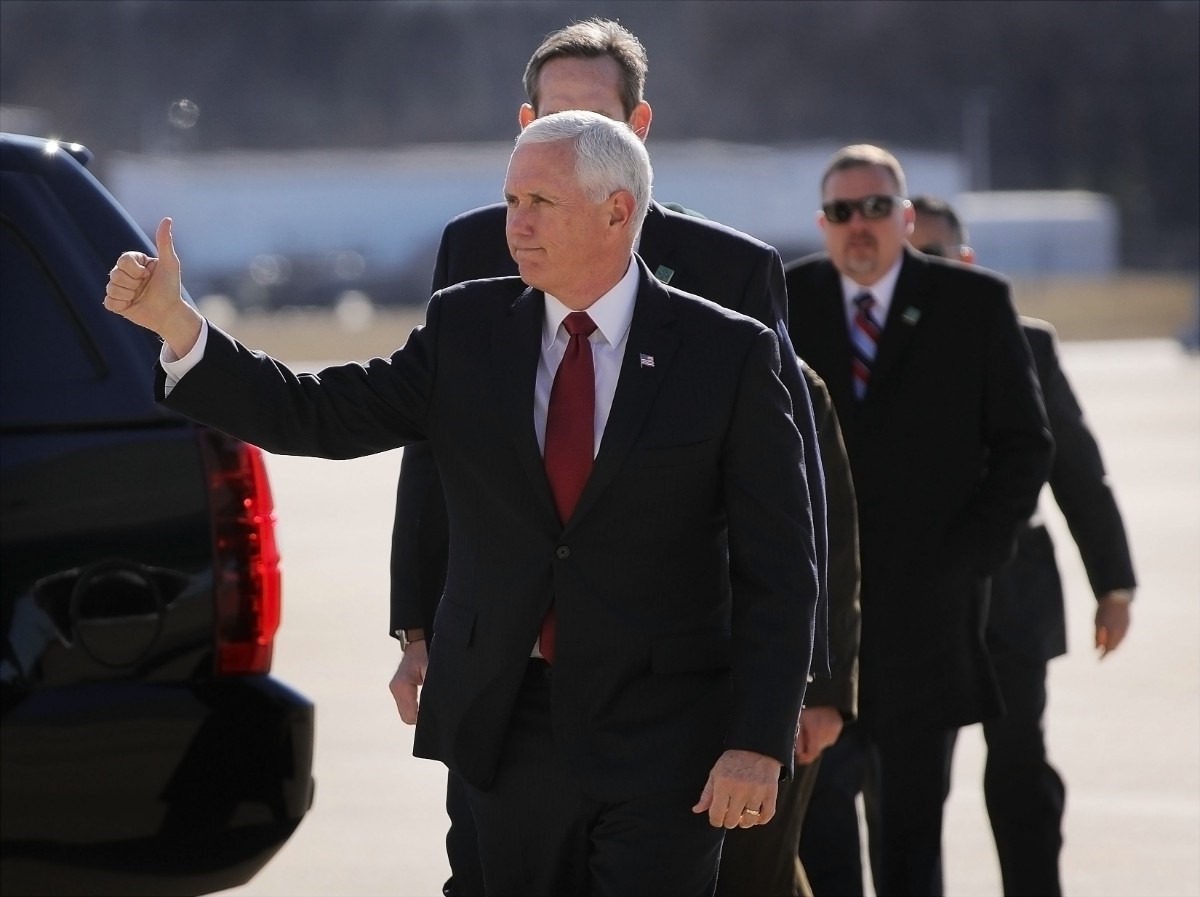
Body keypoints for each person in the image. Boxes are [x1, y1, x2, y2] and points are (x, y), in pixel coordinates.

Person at [104, 110, 820, 897]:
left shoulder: (729, 352)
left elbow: (780, 570)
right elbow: (315, 410)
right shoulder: (466, 326)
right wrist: (178, 325)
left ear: (618, 210)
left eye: (539, 202)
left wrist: (757, 739)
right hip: (505, 726)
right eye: (511, 199)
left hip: (665, 739)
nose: (515, 223)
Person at [383, 19, 830, 895]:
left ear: (639, 130)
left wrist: (783, 700)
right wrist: (418, 625)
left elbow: (791, 511)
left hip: (666, 692)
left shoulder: (730, 274)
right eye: (551, 119)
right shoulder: (474, 256)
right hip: (512, 687)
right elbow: (436, 458)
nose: (568, 139)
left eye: (597, 121)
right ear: (523, 123)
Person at [787, 144, 1054, 897]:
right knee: (822, 833)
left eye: (876, 208)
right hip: (818, 634)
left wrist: (972, 554)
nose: (860, 226)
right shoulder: (784, 301)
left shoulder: (973, 304)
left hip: (927, 624)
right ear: (823, 222)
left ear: (906, 217)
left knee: (910, 839)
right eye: (842, 212)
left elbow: (1025, 444)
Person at [909, 195, 1137, 897]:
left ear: (967, 260)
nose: (922, 272)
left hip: (1012, 593)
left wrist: (1114, 582)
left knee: (1018, 771)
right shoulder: (865, 348)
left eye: (936, 256)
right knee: (910, 785)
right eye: (910, 258)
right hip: (913, 602)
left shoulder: (1024, 341)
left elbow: (1075, 464)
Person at [715, 361, 861, 897]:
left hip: (769, 692)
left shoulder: (785, 377)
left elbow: (830, 551)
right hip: (648, 691)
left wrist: (824, 694)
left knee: (757, 876)